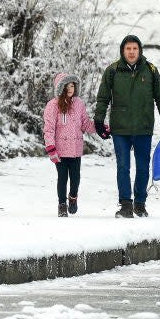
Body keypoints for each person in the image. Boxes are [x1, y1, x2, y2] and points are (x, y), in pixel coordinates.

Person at [94, 35, 160, 218]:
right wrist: (98, 120)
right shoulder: (112, 71)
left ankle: (140, 203)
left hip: (143, 127)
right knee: (123, 166)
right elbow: (103, 98)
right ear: (123, 50)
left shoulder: (151, 70)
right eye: (128, 49)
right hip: (120, 128)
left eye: (134, 49)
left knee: (143, 167)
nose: (131, 52)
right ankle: (126, 205)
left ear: (140, 50)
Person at [43, 73, 96, 217]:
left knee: (75, 178)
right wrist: (51, 148)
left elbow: (85, 123)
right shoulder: (53, 105)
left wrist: (100, 128)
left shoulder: (78, 103)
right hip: (59, 151)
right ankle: (62, 204)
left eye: (72, 85)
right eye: (66, 86)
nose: (70, 89)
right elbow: (48, 129)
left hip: (75, 149)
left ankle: (73, 197)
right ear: (60, 88)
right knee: (62, 178)